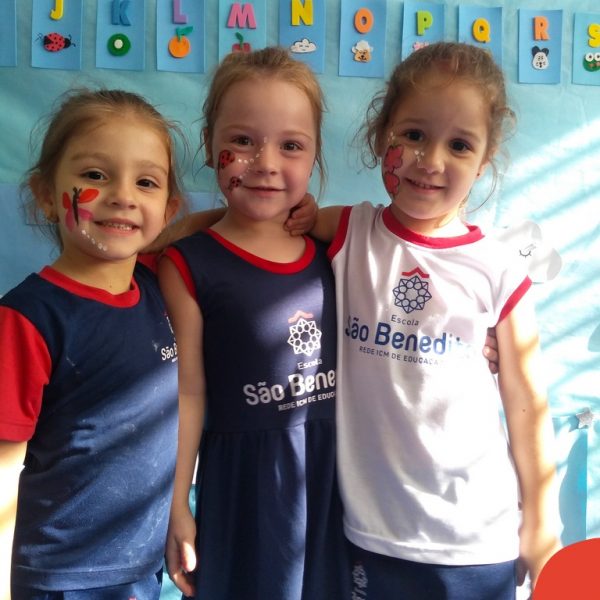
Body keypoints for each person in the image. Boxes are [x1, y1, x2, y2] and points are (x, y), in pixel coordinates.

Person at [287, 41, 560, 599]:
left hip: (475, 542)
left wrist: (541, 522)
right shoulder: (349, 231)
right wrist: (160, 240)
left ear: (484, 160)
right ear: (380, 135)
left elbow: (528, 403)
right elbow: (251, 221)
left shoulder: (497, 269)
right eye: (412, 135)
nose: (431, 161)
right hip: (371, 536)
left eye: (459, 145)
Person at [158, 47, 349, 599]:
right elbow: (187, 392)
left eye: (290, 145)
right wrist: (177, 502)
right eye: (242, 141)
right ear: (209, 144)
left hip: (339, 481)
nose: (265, 162)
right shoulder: (187, 263)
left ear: (314, 155)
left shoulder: (336, 247)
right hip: (245, 490)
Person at [0, 88, 183, 600]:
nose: (123, 196)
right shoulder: (27, 318)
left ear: (168, 210)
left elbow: (211, 231)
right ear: (44, 193)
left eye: (145, 182)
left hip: (141, 570)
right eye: (96, 175)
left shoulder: (155, 284)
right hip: (61, 579)